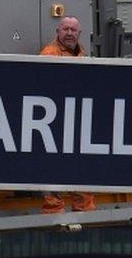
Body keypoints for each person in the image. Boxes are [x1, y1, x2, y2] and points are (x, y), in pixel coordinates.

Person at [39, 16, 95, 214]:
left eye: (73, 30)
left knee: (80, 166)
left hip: (76, 120)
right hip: (56, 122)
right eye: (65, 29)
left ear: (79, 33)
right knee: (55, 167)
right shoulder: (50, 55)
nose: (69, 33)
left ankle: (84, 208)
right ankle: (54, 210)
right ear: (58, 32)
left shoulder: (80, 53)